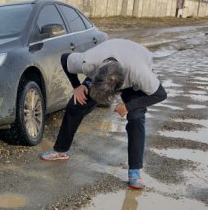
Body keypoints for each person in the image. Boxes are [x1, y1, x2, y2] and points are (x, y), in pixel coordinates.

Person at [40, 39, 167, 190]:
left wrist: (128, 106)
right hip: (107, 69)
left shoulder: (139, 73)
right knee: (75, 105)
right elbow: (64, 58)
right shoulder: (88, 62)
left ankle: (134, 171)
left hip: (134, 77)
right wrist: (77, 86)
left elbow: (160, 94)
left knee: (136, 118)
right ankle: (61, 150)